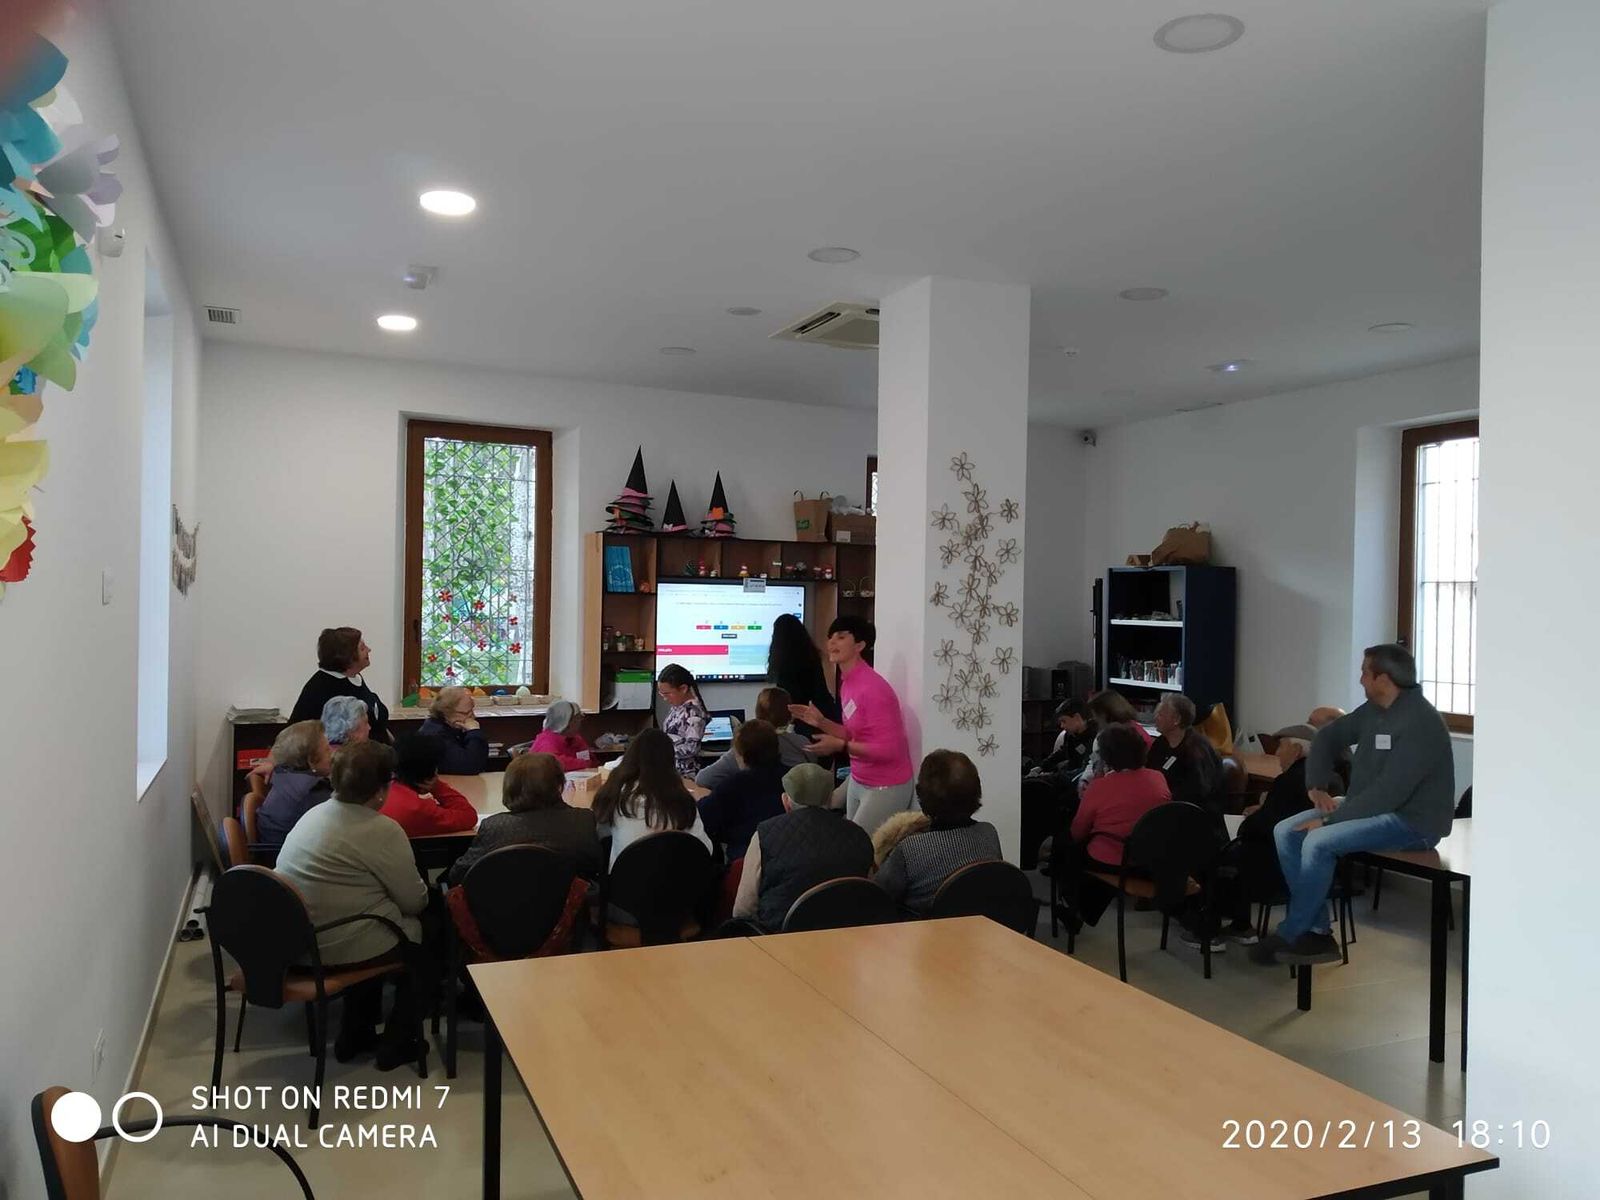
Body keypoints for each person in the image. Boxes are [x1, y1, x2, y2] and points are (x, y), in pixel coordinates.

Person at [1251, 645, 1455, 967]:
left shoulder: (1421, 723)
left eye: (1365, 673)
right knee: (1285, 831)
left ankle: (1294, 930)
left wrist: (1331, 822)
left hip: (1411, 821)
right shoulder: (1374, 710)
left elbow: (1390, 794)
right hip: (1371, 807)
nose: (1361, 679)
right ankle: (1317, 931)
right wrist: (1316, 784)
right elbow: (1326, 738)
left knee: (1318, 840)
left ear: (1383, 679)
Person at [273, 741, 432, 1068]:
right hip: (338, 942)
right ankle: (397, 1043)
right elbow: (414, 901)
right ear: (380, 790)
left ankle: (354, 1034)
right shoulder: (382, 829)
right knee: (428, 942)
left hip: (297, 938)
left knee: (375, 922)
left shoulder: (312, 816)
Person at [789, 616, 915, 834]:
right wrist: (821, 722)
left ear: (860, 645)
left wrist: (840, 747)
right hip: (859, 776)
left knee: (857, 847)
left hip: (886, 784)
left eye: (841, 637)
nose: (832, 643)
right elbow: (853, 734)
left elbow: (889, 750)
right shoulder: (848, 683)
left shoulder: (874, 688)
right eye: (830, 638)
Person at [733, 762, 874, 932]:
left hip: (781, 940)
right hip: (847, 939)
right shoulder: (859, 834)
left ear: (786, 801)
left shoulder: (764, 835)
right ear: (830, 799)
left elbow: (744, 908)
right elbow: (868, 892)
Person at [1056, 724, 1171, 929]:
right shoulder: (1158, 778)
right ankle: (1082, 912)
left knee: (1068, 846)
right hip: (1150, 858)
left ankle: (1075, 908)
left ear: (1107, 756)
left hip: (1111, 859)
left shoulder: (1100, 787)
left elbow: (1078, 831)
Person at [445, 752, 604, 884]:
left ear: (509, 787)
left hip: (499, 915)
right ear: (559, 785)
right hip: (565, 913)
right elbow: (594, 866)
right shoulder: (583, 820)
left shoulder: (494, 826)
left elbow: (458, 875)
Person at [874, 750, 1001, 914]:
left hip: (924, 935)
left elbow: (877, 896)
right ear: (977, 791)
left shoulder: (911, 849)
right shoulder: (989, 833)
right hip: (983, 931)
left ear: (921, 794)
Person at [592, 727, 711, 868]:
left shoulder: (615, 795)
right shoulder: (683, 801)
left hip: (626, 884)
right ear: (670, 761)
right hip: (680, 885)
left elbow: (599, 834)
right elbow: (706, 849)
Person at [697, 719, 787, 862]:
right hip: (788, 858)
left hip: (746, 862)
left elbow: (704, 818)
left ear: (743, 755)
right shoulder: (792, 778)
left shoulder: (733, 786)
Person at [694, 687, 810, 790]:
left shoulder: (747, 744)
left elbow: (703, 779)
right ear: (789, 713)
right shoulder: (803, 743)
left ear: (758, 712)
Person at [289, 626, 391, 743]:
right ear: (348, 656)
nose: (369, 650)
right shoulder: (322, 687)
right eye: (362, 648)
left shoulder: (355, 678)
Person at [379, 733, 479, 838]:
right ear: (432, 772)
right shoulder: (417, 809)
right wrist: (438, 787)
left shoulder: (381, 791)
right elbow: (468, 816)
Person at [255, 720, 333, 846]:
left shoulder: (282, 774)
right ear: (311, 760)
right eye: (327, 750)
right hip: (288, 859)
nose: (332, 754)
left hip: (274, 852)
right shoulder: (312, 790)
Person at [1148, 693, 1226, 816]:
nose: (1155, 717)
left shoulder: (1197, 748)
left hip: (1193, 813)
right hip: (1163, 805)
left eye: (1161, 714)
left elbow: (1199, 790)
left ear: (1176, 720)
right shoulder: (1160, 743)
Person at [766, 612, 841, 737]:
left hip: (801, 719)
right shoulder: (811, 655)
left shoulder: (784, 663)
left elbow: (789, 699)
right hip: (821, 714)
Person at [417, 686, 489, 775]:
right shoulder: (435, 733)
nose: (472, 717)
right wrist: (474, 732)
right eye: (465, 713)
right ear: (445, 711)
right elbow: (471, 766)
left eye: (471, 711)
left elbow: (481, 760)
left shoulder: (453, 726)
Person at [656, 663, 709, 777]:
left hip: (685, 773)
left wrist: (661, 750)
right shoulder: (678, 707)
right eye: (662, 694)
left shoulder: (694, 713)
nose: (665, 698)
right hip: (671, 767)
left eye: (667, 694)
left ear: (683, 688)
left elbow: (691, 748)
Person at [1030, 698, 1097, 779]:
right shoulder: (1071, 735)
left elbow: (1085, 769)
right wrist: (1041, 767)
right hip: (1067, 776)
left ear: (1077, 717)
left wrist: (1052, 776)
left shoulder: (1095, 738)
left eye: (1064, 721)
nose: (1062, 726)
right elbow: (1063, 752)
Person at [528, 699, 593, 772]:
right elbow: (555, 763)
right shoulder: (547, 740)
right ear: (567, 722)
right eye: (578, 718)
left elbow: (588, 759)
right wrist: (584, 763)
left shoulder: (575, 738)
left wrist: (586, 762)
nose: (580, 722)